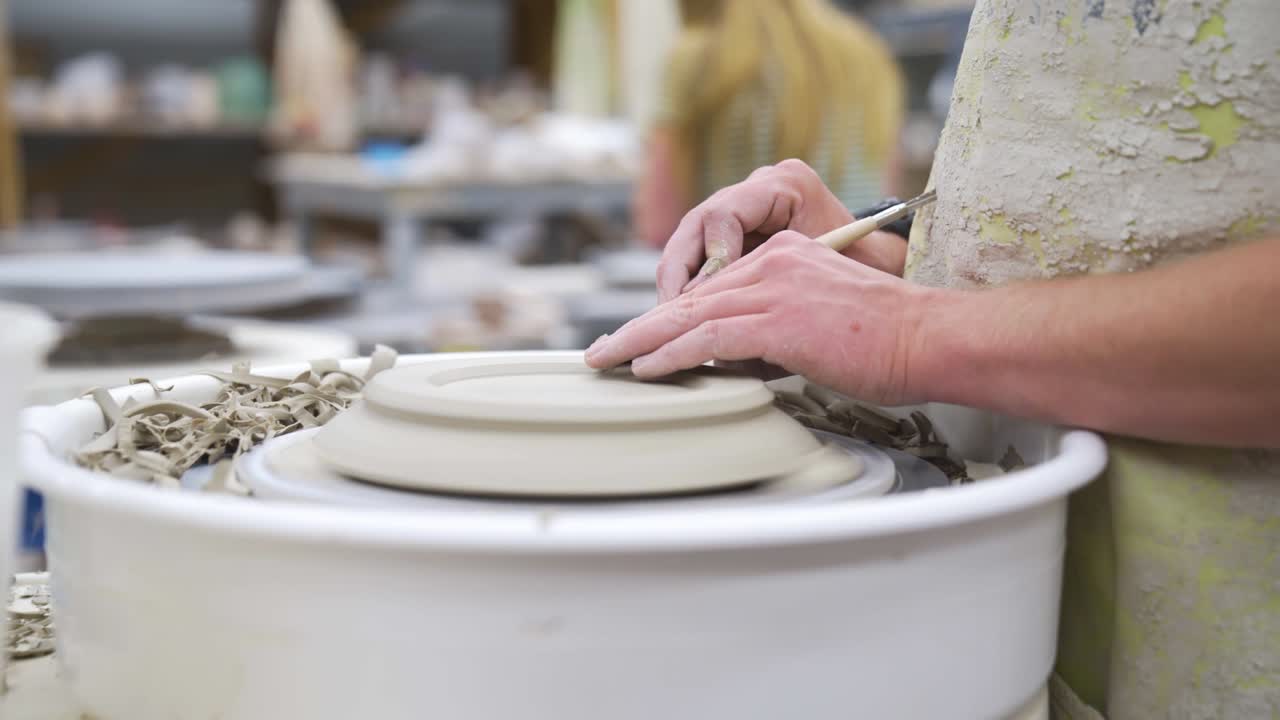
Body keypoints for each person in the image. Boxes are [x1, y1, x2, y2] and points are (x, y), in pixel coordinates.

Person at [589, 0, 1280, 716]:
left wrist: (911, 335)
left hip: (1216, 613)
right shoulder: (856, 49)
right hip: (1023, 593)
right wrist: (887, 261)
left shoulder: (694, 61)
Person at [633, 0, 903, 249]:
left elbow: (660, 225)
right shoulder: (867, 53)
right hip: (860, 272)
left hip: (755, 283)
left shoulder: (698, 59)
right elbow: (888, 189)